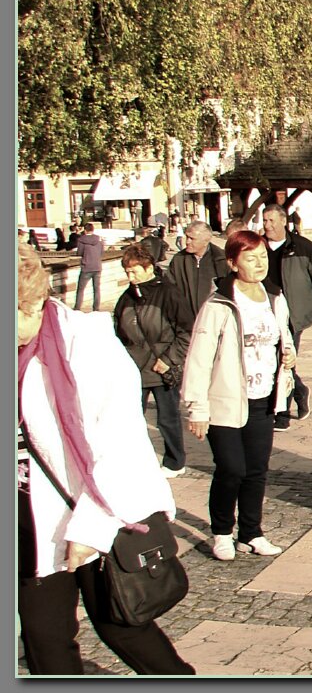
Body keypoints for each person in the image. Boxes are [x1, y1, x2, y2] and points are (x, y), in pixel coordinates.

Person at [16, 243, 194, 675]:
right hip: (28, 517)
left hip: (94, 509)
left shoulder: (87, 342)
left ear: (36, 299)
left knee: (122, 623)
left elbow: (122, 443)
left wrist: (92, 529)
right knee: (45, 639)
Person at [182, 231, 296, 561]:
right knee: (231, 469)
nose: (259, 263)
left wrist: (289, 354)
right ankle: (221, 532)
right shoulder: (219, 303)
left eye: (262, 256)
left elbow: (283, 337)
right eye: (250, 257)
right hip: (226, 400)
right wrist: (196, 407)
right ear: (233, 263)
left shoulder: (274, 297)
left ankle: (251, 532)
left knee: (256, 470)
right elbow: (199, 357)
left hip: (264, 398)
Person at [113, 243, 195, 478]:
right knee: (130, 418)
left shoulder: (168, 293)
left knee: (167, 419)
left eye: (134, 271)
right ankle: (133, 459)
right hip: (134, 368)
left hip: (161, 367)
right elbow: (118, 331)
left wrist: (169, 359)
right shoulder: (125, 298)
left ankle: (175, 461)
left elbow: (186, 330)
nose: (131, 277)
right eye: (127, 272)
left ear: (148, 268)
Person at [261, 203, 312, 431]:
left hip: (292, 315)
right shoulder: (257, 247)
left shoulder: (302, 247)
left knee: (284, 360)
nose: (267, 225)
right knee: (272, 362)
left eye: (271, 220)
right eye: (264, 220)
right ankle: (300, 391)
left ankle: (283, 414)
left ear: (283, 221)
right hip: (264, 312)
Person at [166, 220, 229, 316]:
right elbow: (169, 288)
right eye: (187, 237)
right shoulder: (179, 260)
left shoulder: (221, 260)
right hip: (186, 321)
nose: (187, 242)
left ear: (206, 241)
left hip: (214, 319)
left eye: (192, 238)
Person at [73, 223, 104, 312]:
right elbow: (101, 252)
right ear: (93, 230)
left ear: (85, 230)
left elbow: (79, 252)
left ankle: (77, 308)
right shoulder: (99, 239)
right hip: (97, 266)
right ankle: (96, 308)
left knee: (81, 289)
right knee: (96, 289)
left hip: (86, 266)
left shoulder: (81, 240)